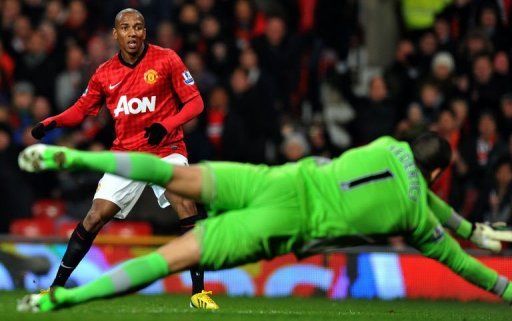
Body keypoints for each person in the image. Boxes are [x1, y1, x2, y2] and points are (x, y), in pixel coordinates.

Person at [16, 132, 512, 312]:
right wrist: (490, 267)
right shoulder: (417, 216)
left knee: (172, 172)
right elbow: (465, 264)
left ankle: (74, 157)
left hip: (274, 179)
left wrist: (471, 227)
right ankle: (67, 298)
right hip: (289, 221)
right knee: (177, 256)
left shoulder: (389, 144)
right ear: (440, 174)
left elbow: (420, 185)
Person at [29, 8, 217, 309]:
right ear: (115, 34)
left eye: (139, 27)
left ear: (145, 32)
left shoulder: (166, 59)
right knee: (94, 216)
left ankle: (198, 294)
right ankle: (54, 290)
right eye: (126, 28)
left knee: (185, 203)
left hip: (166, 150)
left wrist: (166, 125)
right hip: (126, 155)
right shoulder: (105, 73)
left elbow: (195, 103)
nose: (133, 33)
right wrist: (52, 122)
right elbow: (81, 110)